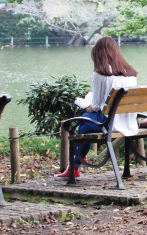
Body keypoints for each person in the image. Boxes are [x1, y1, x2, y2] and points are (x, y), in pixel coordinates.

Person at [55, 36, 138, 180]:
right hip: (128, 122)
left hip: (109, 124)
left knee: (83, 120)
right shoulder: (130, 73)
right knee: (84, 124)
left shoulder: (101, 73)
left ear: (98, 53)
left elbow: (96, 107)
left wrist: (85, 105)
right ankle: (77, 163)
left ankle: (76, 164)